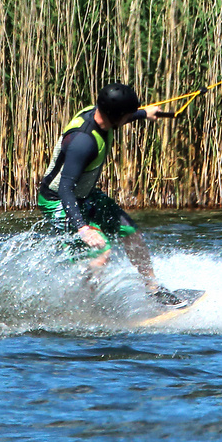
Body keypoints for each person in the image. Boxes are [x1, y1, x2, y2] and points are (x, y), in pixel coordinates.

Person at [37, 82, 185, 307]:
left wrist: (145, 113)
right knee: (101, 253)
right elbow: (65, 187)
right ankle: (83, 306)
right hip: (58, 200)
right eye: (127, 116)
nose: (128, 119)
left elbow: (120, 114)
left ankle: (154, 291)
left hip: (84, 195)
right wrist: (82, 227)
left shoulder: (101, 115)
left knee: (130, 231)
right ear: (115, 116)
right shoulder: (83, 142)